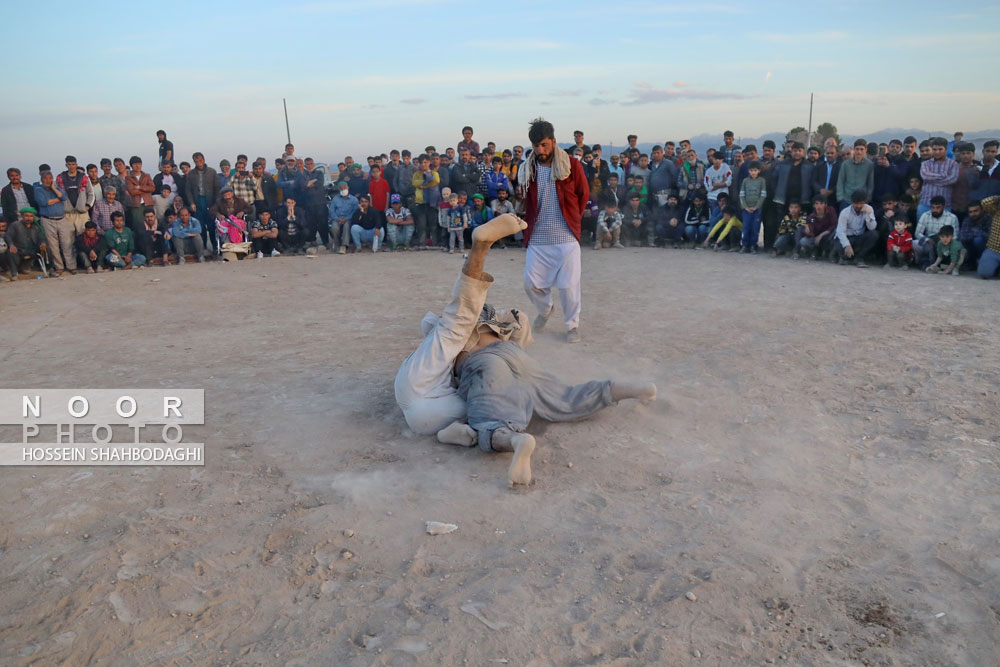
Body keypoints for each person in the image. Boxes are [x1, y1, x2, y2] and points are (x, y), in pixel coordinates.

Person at [394, 215, 527, 437]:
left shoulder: (442, 339)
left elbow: (428, 322)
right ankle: (480, 246)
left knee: (484, 403)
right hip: (425, 390)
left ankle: (447, 434)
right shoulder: (489, 328)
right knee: (458, 322)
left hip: (422, 402)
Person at [517, 119, 589, 343]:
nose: (540, 150)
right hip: (538, 236)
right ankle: (546, 310)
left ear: (554, 142)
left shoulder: (572, 166)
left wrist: (572, 219)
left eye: (544, 145)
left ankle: (572, 326)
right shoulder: (528, 169)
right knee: (531, 284)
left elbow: (583, 194)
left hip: (566, 235)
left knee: (569, 286)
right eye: (536, 146)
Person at [34, 170, 75, 276]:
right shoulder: (39, 190)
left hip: (61, 219)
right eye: (45, 178)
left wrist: (53, 188)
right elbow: (43, 202)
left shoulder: (57, 188)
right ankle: (59, 267)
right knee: (53, 245)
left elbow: (64, 198)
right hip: (48, 219)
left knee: (66, 243)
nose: (48, 180)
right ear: (42, 180)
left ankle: (71, 266)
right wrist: (58, 199)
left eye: (50, 178)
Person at [833, 190, 878, 267]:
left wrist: (869, 214)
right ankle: (842, 256)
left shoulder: (869, 209)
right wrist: (847, 245)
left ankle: (859, 258)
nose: (858, 206)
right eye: (856, 203)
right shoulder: (845, 212)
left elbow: (872, 228)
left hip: (859, 238)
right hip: (847, 237)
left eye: (861, 203)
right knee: (841, 246)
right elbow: (840, 231)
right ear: (852, 202)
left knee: (874, 234)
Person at [185, 152, 219, 251]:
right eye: (196, 161)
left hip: (210, 201)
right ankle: (203, 247)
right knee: (200, 226)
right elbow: (188, 190)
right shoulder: (191, 173)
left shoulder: (211, 172)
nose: (199, 163)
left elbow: (217, 188)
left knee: (212, 226)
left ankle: (215, 247)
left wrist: (216, 203)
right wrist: (191, 203)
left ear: (203, 160)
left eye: (200, 160)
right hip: (198, 201)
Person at [913, 195, 959, 268]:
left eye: (938, 207)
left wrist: (944, 242)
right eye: (933, 207)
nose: (934, 210)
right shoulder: (925, 215)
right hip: (929, 243)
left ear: (944, 207)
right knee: (914, 243)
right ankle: (919, 262)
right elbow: (917, 233)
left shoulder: (952, 218)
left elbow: (955, 237)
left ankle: (935, 264)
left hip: (945, 244)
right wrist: (927, 239)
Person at [918, 137, 959, 219]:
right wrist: (943, 176)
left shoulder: (953, 164)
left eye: (940, 149)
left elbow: (952, 179)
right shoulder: (925, 164)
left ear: (946, 149)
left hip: (944, 205)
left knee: (944, 231)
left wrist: (932, 180)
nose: (937, 152)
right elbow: (925, 176)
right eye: (934, 149)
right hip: (926, 203)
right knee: (921, 230)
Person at [4, 208, 49, 278]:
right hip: (19, 250)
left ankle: (49, 269)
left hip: (32, 250)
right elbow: (8, 236)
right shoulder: (15, 225)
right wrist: (11, 245)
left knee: (47, 249)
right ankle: (14, 274)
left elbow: (41, 238)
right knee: (11, 252)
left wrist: (42, 244)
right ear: (22, 216)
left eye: (31, 216)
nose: (29, 218)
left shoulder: (37, 227)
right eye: (26, 216)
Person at [57, 156, 94, 235]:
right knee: (67, 240)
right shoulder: (60, 178)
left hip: (81, 214)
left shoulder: (84, 177)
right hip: (67, 214)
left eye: (73, 164)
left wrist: (88, 205)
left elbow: (91, 194)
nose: (71, 166)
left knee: (83, 237)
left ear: (76, 165)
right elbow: (56, 193)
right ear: (66, 165)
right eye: (69, 164)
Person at [836, 139, 874, 211]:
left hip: (861, 200)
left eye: (861, 149)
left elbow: (870, 183)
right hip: (846, 199)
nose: (859, 152)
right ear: (854, 149)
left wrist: (868, 199)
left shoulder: (869, 165)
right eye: (857, 149)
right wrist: (840, 198)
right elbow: (840, 181)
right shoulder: (845, 164)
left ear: (865, 150)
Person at [795, 196, 837, 260]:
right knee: (803, 241)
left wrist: (821, 235)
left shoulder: (831, 210)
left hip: (828, 235)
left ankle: (832, 253)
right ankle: (814, 251)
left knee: (837, 231)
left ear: (825, 205)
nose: (819, 206)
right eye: (816, 204)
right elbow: (811, 233)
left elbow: (834, 225)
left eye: (821, 203)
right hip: (816, 239)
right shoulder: (811, 217)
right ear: (814, 205)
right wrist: (807, 228)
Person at [739, 161, 766, 252]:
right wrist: (745, 207)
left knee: (755, 227)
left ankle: (753, 245)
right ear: (748, 171)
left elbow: (763, 195)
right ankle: (744, 245)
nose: (753, 172)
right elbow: (742, 194)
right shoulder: (745, 181)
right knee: (746, 227)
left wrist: (757, 206)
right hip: (746, 209)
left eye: (755, 170)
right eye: (751, 170)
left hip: (757, 209)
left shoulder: (762, 181)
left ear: (759, 171)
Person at [124, 156, 155, 234]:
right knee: (138, 225)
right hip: (136, 204)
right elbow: (132, 192)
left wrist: (140, 187)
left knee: (151, 223)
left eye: (139, 164)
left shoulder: (146, 175)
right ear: (131, 166)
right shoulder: (128, 177)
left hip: (148, 202)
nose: (137, 166)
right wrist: (145, 190)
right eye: (135, 164)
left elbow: (152, 188)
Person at [703, 152, 732, 224]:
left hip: (724, 197)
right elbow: (708, 187)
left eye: (720, 159)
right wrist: (722, 183)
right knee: (714, 220)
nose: (717, 161)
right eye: (716, 159)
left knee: (725, 220)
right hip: (712, 198)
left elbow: (728, 182)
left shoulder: (726, 167)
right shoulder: (709, 171)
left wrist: (715, 184)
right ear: (712, 159)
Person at [959, 200, 990, 268]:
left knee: (978, 240)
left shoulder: (989, 219)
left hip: (987, 247)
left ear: (982, 210)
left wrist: (974, 232)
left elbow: (991, 237)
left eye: (976, 211)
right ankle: (971, 263)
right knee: (961, 244)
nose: (973, 214)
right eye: (971, 212)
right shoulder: (967, 220)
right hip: (971, 247)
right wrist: (979, 233)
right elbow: (963, 237)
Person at [975, 195, 1000, 278]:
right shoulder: (996, 211)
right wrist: (998, 197)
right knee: (984, 273)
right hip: (994, 249)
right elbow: (984, 203)